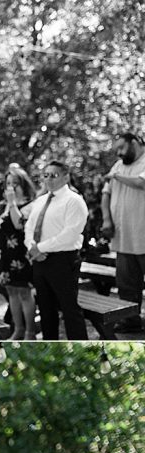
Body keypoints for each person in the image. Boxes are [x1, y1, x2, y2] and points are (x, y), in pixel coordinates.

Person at [24, 160, 88, 340]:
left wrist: (40, 248)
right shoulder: (41, 200)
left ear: (66, 177)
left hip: (63, 260)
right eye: (46, 175)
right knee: (45, 309)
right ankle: (49, 341)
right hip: (39, 260)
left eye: (54, 175)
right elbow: (29, 227)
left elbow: (70, 234)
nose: (49, 179)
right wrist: (32, 247)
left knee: (69, 309)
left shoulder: (74, 200)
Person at [101, 132, 145, 331]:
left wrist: (116, 176)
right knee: (127, 284)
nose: (119, 153)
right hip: (122, 237)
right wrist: (106, 219)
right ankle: (130, 321)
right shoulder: (118, 166)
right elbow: (105, 194)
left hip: (142, 235)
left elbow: (141, 182)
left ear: (134, 142)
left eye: (122, 148)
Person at [0, 166, 38, 339]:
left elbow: (19, 225)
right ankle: (17, 329)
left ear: (23, 185)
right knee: (11, 292)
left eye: (15, 184)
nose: (10, 187)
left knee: (25, 292)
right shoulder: (1, 205)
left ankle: (30, 332)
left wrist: (12, 203)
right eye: (8, 183)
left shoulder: (31, 204)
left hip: (20, 256)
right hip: (3, 255)